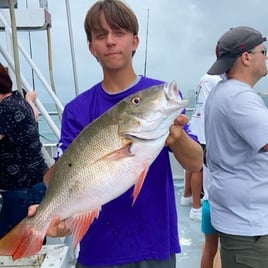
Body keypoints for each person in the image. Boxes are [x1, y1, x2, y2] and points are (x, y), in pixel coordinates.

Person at [30, 0, 203, 267]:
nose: (110, 41)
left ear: (134, 42)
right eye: (101, 35)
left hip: (154, 244)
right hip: (98, 249)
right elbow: (65, 174)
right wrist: (56, 218)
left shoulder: (159, 96)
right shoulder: (77, 110)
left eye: (119, 33)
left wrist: (178, 138)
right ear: (91, 48)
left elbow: (194, 162)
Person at [205, 26, 268, 268]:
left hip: (238, 219)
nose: (266, 57)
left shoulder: (222, 92)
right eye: (263, 51)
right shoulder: (239, 98)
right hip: (250, 229)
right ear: (246, 57)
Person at [0, 63, 48, 238]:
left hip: (21, 191)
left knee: (13, 245)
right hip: (35, 184)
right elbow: (34, 115)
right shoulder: (18, 101)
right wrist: (29, 100)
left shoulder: (4, 110)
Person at [181, 74, 222, 222]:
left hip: (195, 125)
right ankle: (196, 208)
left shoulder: (205, 77)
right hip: (204, 129)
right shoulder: (218, 81)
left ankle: (187, 196)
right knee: (199, 168)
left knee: (191, 166)